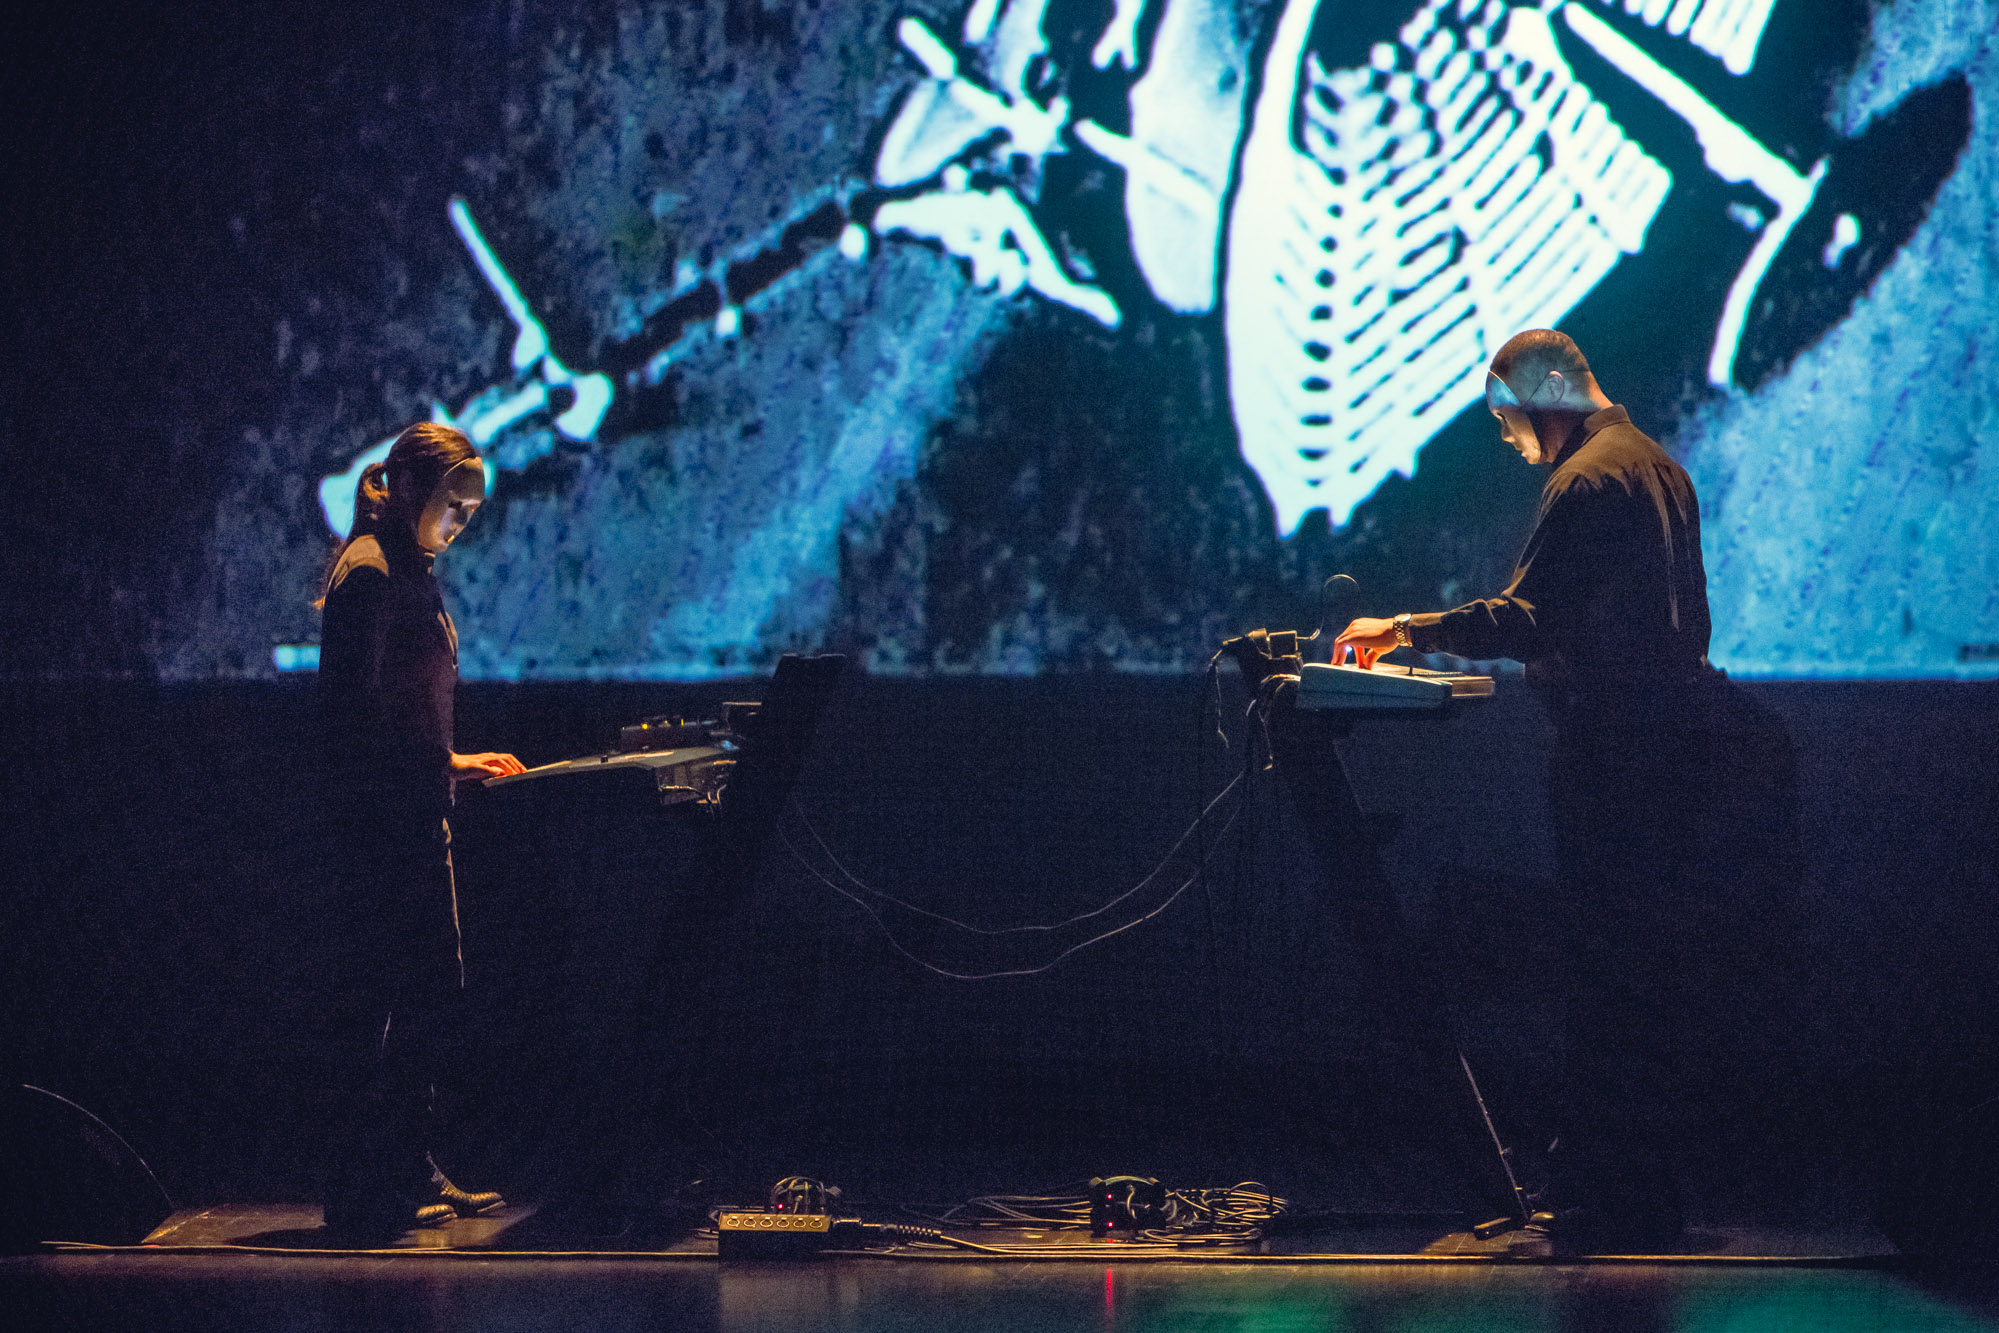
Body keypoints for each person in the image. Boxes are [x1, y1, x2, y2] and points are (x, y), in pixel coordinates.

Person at [1333, 329, 1799, 1253]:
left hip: (1618, 757)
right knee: (1638, 974)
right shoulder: (1657, 465)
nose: (1504, 436)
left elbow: (1525, 616)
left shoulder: (1586, 480)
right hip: (1670, 753)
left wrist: (1400, 629)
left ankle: (1606, 1195)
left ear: (1545, 392)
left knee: (1605, 972)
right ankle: (1632, 1190)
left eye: (1505, 416)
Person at [314, 421, 526, 1236]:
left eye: (471, 511)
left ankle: (406, 1167)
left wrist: (451, 761)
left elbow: (404, 711)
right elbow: (351, 716)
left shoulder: (408, 569)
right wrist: (418, 779)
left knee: (427, 992)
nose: (461, 522)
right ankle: (364, 1181)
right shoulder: (371, 572)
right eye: (452, 504)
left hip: (413, 815)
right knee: (385, 999)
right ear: (407, 488)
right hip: (384, 828)